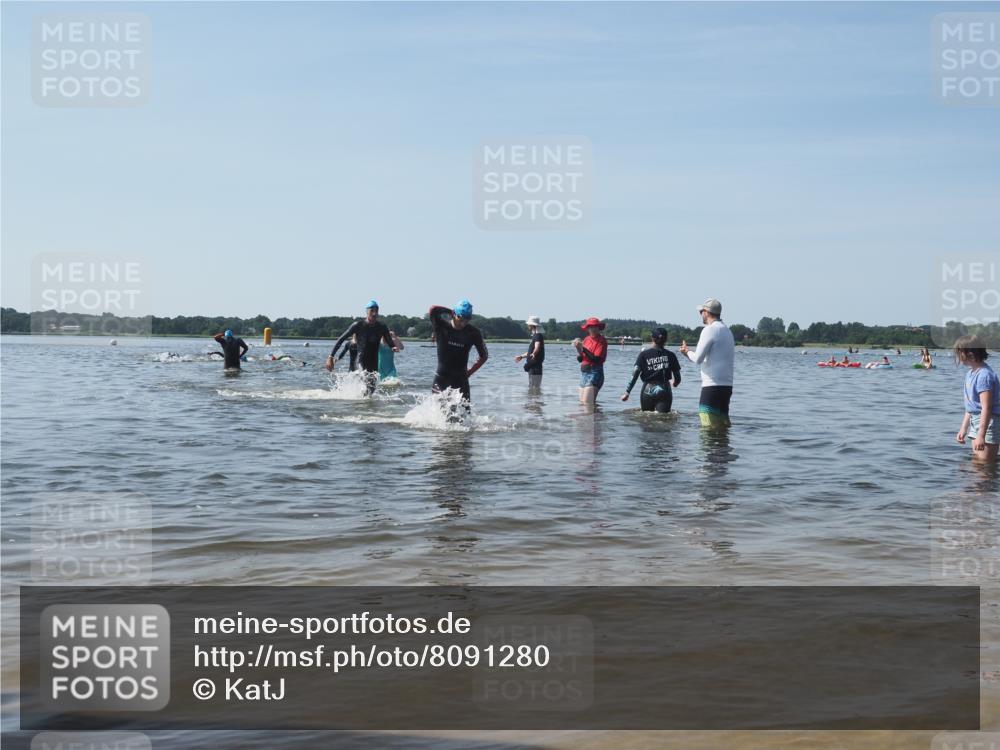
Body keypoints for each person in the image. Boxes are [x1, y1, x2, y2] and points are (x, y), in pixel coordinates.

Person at [679, 298, 735, 427]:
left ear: (706, 312)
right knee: (723, 427)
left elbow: (698, 358)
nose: (700, 314)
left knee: (708, 430)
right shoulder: (727, 331)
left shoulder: (709, 330)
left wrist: (686, 352)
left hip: (711, 387)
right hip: (726, 387)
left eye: (701, 311)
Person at [325, 300, 398, 393]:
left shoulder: (382, 326)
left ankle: (365, 405)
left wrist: (392, 346)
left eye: (376, 310)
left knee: (371, 389)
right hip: (361, 360)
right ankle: (357, 403)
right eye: (372, 310)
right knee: (364, 382)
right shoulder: (358, 325)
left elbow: (388, 339)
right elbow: (341, 339)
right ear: (367, 311)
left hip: (374, 361)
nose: (375, 313)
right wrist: (331, 356)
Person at [428, 299, 489, 403]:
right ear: (454, 314)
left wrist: (469, 372)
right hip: (441, 378)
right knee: (437, 414)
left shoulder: (473, 333)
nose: (463, 323)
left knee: (464, 416)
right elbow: (433, 309)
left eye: (467, 319)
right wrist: (450, 311)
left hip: (461, 380)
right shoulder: (441, 326)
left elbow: (484, 356)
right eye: (460, 319)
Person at [954, 335, 999, 463]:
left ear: (971, 354)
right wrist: (963, 428)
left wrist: (981, 435)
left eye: (959, 352)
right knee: (977, 463)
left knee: (984, 465)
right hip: (976, 421)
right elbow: (971, 406)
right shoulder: (971, 373)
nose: (957, 355)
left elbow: (987, 407)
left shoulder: (984, 375)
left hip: (988, 423)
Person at [621, 328, 682, 412]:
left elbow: (635, 373)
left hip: (647, 390)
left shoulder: (643, 355)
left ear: (652, 338)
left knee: (646, 420)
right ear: (666, 339)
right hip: (664, 390)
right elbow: (678, 378)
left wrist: (627, 392)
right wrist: (675, 383)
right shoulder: (671, 355)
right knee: (663, 420)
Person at [574, 317, 608, 406]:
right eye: (590, 327)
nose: (592, 329)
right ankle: (597, 418)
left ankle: (596, 418)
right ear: (587, 328)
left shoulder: (602, 341)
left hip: (595, 373)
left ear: (598, 328)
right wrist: (578, 349)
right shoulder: (586, 339)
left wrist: (583, 348)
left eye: (595, 327)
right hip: (584, 374)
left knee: (587, 404)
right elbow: (580, 359)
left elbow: (595, 359)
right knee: (582, 405)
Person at [514, 316, 545, 390]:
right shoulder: (535, 336)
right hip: (533, 366)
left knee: (534, 387)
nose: (528, 326)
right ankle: (534, 400)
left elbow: (537, 347)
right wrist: (521, 356)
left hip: (535, 367)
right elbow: (530, 352)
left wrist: (534, 353)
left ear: (532, 325)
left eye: (529, 324)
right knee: (533, 387)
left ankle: (534, 401)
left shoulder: (538, 336)